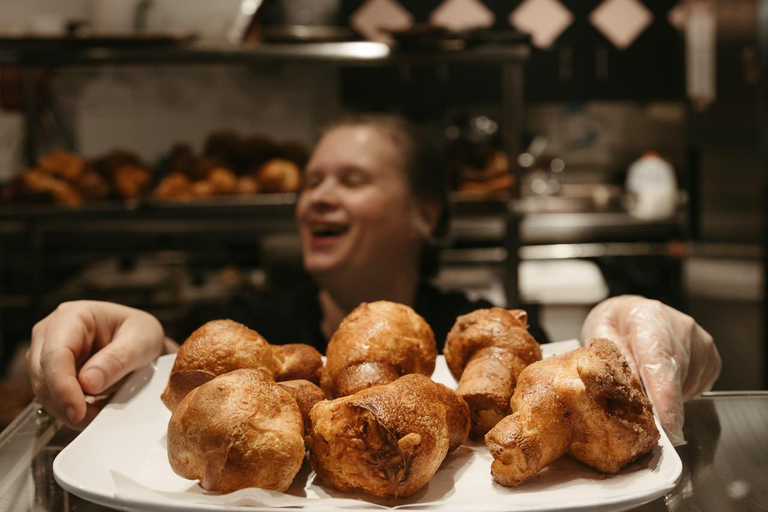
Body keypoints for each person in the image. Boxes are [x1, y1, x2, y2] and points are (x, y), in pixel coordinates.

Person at [26, 115, 721, 447]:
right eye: (312, 181)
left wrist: (635, 317)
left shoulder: (472, 330)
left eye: (351, 181)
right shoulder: (262, 323)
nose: (316, 199)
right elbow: (183, 370)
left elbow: (563, 359)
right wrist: (139, 337)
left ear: (425, 214)